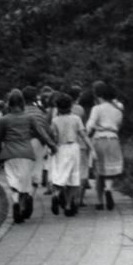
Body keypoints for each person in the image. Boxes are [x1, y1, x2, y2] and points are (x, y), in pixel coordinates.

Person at [0, 89, 58, 224]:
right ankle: (27, 199)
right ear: (22, 103)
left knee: (14, 181)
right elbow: (42, 133)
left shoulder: (4, 119)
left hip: (10, 154)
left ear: (9, 104)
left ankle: (16, 201)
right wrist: (52, 145)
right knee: (25, 181)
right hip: (26, 153)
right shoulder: (29, 118)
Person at [49, 93, 96, 216]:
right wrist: (92, 149)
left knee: (59, 176)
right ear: (71, 106)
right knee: (74, 178)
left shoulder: (55, 120)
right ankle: (69, 205)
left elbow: (53, 137)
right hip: (73, 148)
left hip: (60, 148)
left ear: (57, 107)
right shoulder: (76, 119)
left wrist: (51, 149)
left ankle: (56, 194)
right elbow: (83, 135)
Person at [87, 80, 124, 211]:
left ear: (99, 95)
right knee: (110, 169)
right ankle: (108, 189)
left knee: (99, 171)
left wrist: (86, 136)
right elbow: (119, 126)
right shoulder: (118, 110)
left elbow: (89, 126)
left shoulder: (96, 109)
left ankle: (99, 201)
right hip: (113, 139)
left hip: (99, 138)